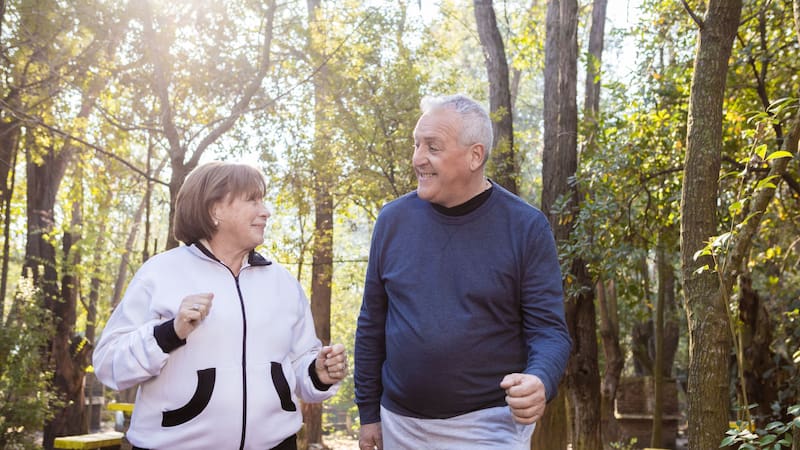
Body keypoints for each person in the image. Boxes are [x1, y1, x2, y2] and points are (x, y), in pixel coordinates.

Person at [354, 94, 572, 450]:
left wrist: (540, 379)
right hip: (400, 426)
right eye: (417, 144)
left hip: (489, 427)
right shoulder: (392, 221)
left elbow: (549, 331)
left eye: (433, 147)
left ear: (475, 155)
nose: (417, 158)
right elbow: (372, 323)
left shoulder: (526, 227)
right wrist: (369, 413)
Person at [93, 161, 347, 450]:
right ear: (215, 210)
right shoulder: (160, 273)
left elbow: (298, 364)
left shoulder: (283, 282)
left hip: (276, 444)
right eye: (252, 200)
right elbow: (108, 366)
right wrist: (167, 333)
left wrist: (318, 372)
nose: (265, 211)